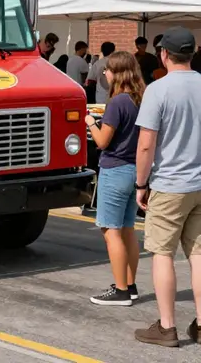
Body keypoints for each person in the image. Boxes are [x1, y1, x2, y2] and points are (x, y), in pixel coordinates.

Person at [133, 26, 201, 347]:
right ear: (193, 53)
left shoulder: (157, 90)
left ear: (163, 54)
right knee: (199, 254)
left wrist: (141, 184)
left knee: (162, 253)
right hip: (200, 183)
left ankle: (167, 326)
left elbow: (146, 145)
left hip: (170, 183)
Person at [86, 51, 144, 306]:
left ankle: (120, 290)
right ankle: (130, 285)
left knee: (111, 231)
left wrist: (90, 122)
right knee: (128, 229)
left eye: (107, 70)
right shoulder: (140, 99)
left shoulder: (117, 102)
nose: (105, 73)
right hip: (135, 169)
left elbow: (102, 141)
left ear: (117, 73)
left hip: (115, 169)